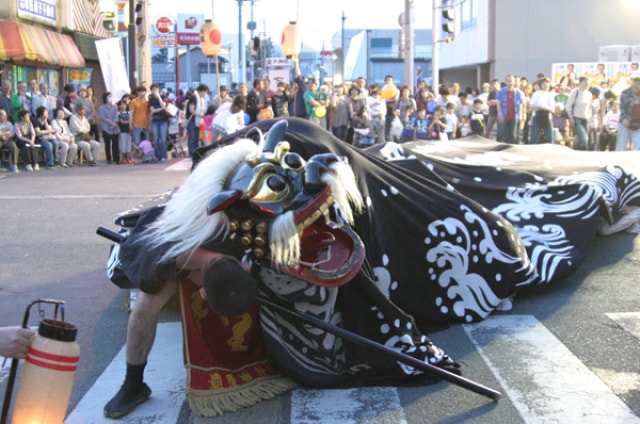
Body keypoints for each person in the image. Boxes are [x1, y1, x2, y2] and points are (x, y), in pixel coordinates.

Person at [495, 74, 525, 144]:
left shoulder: (519, 93)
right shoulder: (501, 92)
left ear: (514, 81)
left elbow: (521, 105)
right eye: (508, 81)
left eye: (511, 81)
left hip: (514, 116)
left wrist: (521, 115)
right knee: (501, 134)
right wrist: (500, 114)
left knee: (513, 135)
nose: (510, 83)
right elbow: (498, 104)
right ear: (505, 82)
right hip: (504, 115)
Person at [565, 76, 593, 151]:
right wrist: (571, 117)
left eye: (588, 83)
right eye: (585, 82)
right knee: (584, 139)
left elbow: (589, 108)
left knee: (583, 141)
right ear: (580, 83)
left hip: (586, 119)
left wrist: (590, 122)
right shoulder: (575, 91)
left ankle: (576, 152)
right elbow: (568, 106)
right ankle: (573, 151)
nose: (587, 84)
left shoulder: (589, 94)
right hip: (577, 118)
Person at [69, 101, 100, 166]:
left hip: (85, 136)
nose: (84, 111)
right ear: (78, 110)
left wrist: (83, 128)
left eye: (84, 109)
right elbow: (78, 129)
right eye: (82, 109)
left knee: (96, 144)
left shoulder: (84, 118)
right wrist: (84, 128)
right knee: (86, 145)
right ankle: (90, 160)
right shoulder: (73, 118)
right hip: (77, 137)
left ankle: (95, 160)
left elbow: (88, 127)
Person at [616, 71, 640, 151]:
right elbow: (622, 107)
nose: (637, 82)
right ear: (631, 80)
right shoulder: (625, 93)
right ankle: (618, 163)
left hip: (638, 123)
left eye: (638, 80)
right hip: (626, 123)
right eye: (635, 80)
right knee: (621, 146)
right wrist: (624, 119)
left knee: (638, 147)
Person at [528, 78, 555, 144]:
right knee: (534, 137)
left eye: (547, 83)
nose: (545, 85)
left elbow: (553, 109)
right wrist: (541, 107)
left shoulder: (550, 95)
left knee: (550, 137)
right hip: (537, 116)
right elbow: (531, 106)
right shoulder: (536, 94)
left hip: (547, 117)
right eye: (543, 83)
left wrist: (544, 108)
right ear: (541, 85)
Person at [148, 83, 170, 162]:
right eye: (153, 89)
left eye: (156, 89)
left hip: (163, 120)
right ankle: (157, 155)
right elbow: (152, 110)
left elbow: (164, 105)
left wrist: (159, 97)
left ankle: (164, 156)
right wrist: (161, 108)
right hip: (155, 121)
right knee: (156, 139)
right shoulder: (150, 99)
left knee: (163, 139)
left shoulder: (163, 97)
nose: (155, 91)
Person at [186, 84, 209, 157]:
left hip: (198, 121)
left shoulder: (200, 98)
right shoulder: (194, 97)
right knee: (192, 139)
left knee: (196, 138)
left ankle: (195, 154)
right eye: (205, 92)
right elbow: (191, 109)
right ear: (202, 91)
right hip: (192, 120)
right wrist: (200, 115)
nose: (205, 94)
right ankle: (192, 154)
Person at [99, 92, 121, 164]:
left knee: (115, 143)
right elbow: (103, 117)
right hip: (106, 128)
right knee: (107, 144)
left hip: (115, 128)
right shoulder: (102, 108)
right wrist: (111, 124)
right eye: (109, 97)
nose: (110, 98)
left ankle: (116, 158)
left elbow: (116, 115)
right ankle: (108, 158)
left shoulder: (115, 106)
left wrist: (114, 123)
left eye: (111, 97)